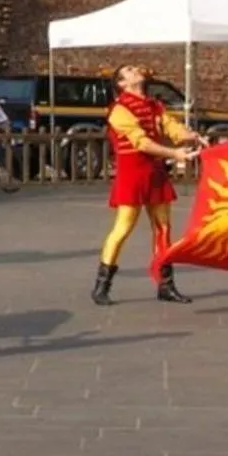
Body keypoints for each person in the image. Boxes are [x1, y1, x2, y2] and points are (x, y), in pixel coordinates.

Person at [92, 65, 204, 306]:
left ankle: (166, 285)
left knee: (163, 228)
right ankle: (102, 285)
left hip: (154, 172)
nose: (137, 70)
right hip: (132, 174)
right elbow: (141, 143)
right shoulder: (119, 110)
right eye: (130, 70)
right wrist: (174, 154)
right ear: (122, 83)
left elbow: (170, 126)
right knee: (122, 229)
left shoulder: (153, 105)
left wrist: (191, 135)